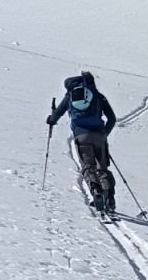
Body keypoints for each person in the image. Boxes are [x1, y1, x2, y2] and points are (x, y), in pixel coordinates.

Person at [47, 71, 117, 212]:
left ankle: (97, 192)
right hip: (99, 136)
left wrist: (51, 120)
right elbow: (112, 118)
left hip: (82, 136)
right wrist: (104, 133)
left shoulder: (70, 96)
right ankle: (109, 196)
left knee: (88, 167)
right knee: (102, 168)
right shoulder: (97, 96)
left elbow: (57, 114)